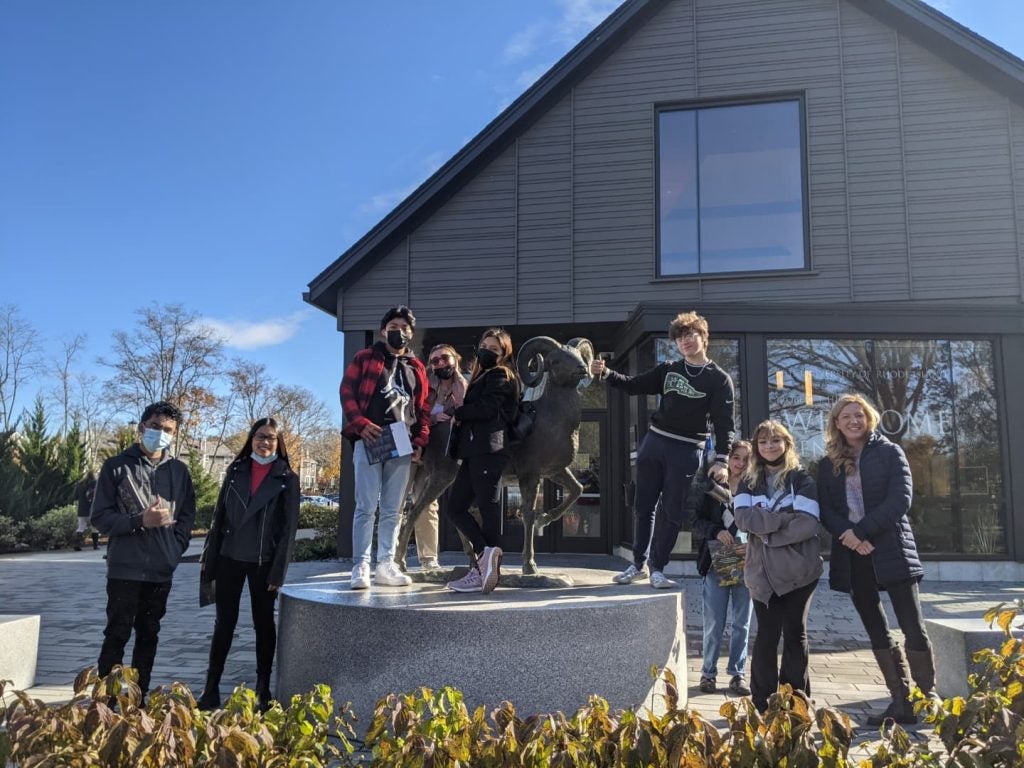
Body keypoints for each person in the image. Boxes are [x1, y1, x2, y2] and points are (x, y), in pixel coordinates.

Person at [590, 311, 735, 588]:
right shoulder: (668, 369)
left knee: (671, 511)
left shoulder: (719, 379)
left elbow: (724, 422)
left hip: (688, 449)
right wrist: (607, 373)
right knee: (643, 507)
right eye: (680, 339)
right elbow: (633, 385)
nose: (685, 342)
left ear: (704, 338)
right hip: (654, 442)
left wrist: (722, 459)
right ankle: (637, 565)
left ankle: (658, 568)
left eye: (690, 336)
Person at [818, 394, 936, 725]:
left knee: (912, 626)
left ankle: (929, 700)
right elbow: (825, 509)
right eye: (846, 416)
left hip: (891, 548)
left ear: (869, 418)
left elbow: (901, 498)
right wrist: (850, 537)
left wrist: (863, 533)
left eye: (859, 415)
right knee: (876, 628)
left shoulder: (889, 451)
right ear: (836, 424)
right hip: (853, 554)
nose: (853, 421)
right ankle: (900, 702)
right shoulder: (828, 463)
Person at [90, 401, 196, 699]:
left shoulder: (179, 472)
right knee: (117, 634)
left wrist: (175, 549)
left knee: (149, 635)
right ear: (141, 427)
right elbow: (100, 518)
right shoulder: (116, 467)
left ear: (174, 434)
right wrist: (140, 520)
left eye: (168, 430)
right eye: (155, 427)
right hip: (125, 567)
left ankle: (137, 700)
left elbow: (187, 515)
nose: (160, 434)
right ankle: (105, 702)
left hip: (161, 569)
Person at [197, 417, 300, 712]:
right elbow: (219, 518)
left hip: (263, 563)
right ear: (251, 439)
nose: (264, 442)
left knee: (263, 625)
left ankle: (262, 688)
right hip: (229, 558)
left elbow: (288, 529)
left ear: (278, 443)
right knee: (223, 624)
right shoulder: (235, 470)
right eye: (259, 436)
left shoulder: (286, 478)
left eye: (270, 437)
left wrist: (278, 571)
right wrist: (210, 558)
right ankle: (211, 688)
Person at [734, 420, 822, 713]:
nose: (769, 446)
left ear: (787, 443)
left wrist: (767, 531)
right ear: (757, 447)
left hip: (800, 572)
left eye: (775, 441)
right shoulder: (749, 481)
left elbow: (807, 525)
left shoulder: (803, 480)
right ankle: (763, 702)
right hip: (762, 574)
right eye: (763, 442)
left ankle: (796, 702)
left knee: (795, 633)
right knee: (767, 635)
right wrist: (784, 519)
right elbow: (744, 519)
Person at [341, 305, 430, 590]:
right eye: (394, 326)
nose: (399, 332)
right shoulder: (365, 358)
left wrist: (419, 442)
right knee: (365, 507)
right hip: (370, 437)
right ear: (383, 330)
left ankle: (386, 564)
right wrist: (359, 423)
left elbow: (423, 408)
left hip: (401, 442)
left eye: (405, 328)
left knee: (393, 509)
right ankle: (361, 566)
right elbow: (346, 392)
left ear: (411, 334)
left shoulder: (417, 367)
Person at [445, 328, 519, 594]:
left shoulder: (501, 375)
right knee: (455, 507)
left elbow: (488, 408)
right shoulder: (483, 376)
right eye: (484, 345)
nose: (486, 350)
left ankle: (486, 567)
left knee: (488, 508)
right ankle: (485, 558)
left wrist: (458, 411)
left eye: (494, 348)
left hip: (489, 448)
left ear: (503, 355)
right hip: (474, 450)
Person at [690, 440, 754, 696]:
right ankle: (708, 673)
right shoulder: (710, 486)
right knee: (714, 621)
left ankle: (738, 675)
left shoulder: (755, 488)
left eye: (745, 459)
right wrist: (715, 531)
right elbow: (694, 520)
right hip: (717, 561)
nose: (739, 463)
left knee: (742, 622)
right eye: (735, 457)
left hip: (748, 561)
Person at [411, 344, 467, 570]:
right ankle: (389, 558)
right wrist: (434, 420)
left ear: (456, 358)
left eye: (445, 358)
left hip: (442, 456)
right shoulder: (423, 383)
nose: (440, 363)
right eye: (435, 361)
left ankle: (428, 558)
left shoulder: (465, 387)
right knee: (395, 502)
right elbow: (413, 413)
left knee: (426, 503)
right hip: (416, 449)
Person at [73, 471, 100, 551]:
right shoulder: (96, 483)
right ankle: (95, 545)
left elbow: (75, 496)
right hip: (93, 508)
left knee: (81, 527)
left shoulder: (80, 484)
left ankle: (77, 544)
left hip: (82, 509)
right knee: (94, 527)